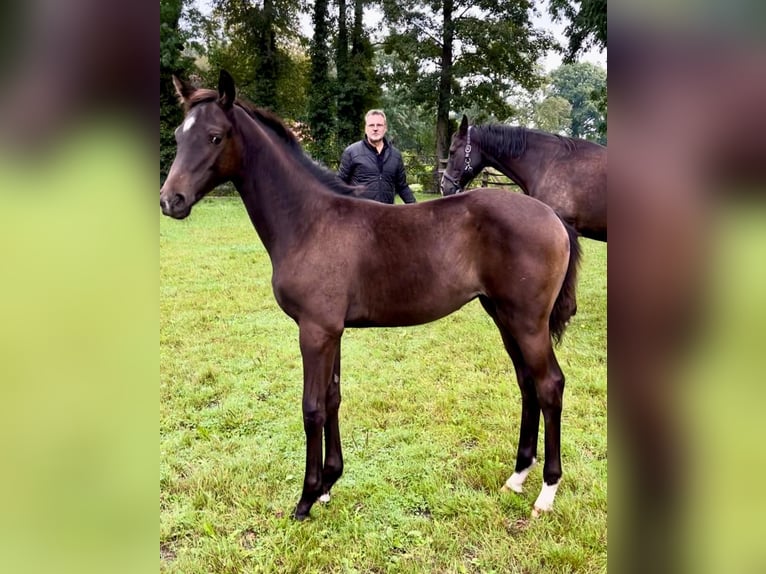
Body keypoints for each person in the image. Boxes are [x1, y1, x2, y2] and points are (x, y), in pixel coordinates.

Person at [337, 110, 417, 204]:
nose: (375, 129)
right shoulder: (351, 152)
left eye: (379, 125)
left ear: (385, 128)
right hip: (360, 214)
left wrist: (418, 210)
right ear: (365, 128)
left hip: (386, 214)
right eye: (371, 125)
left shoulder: (395, 155)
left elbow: (402, 186)